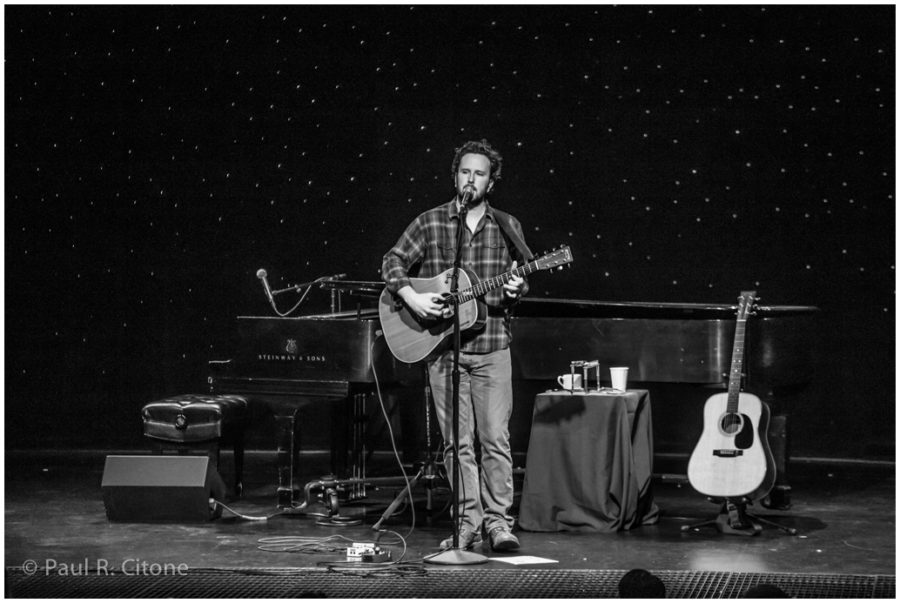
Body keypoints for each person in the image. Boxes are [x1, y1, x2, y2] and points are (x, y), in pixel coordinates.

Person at [381, 139, 529, 552]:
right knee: (456, 443)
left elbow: (514, 289)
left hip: (493, 347)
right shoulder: (430, 222)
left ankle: (499, 524)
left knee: (495, 440)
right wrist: (411, 296)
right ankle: (467, 523)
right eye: (465, 171)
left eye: (480, 173)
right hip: (444, 350)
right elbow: (392, 261)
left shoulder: (507, 226)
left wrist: (516, 288)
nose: (471, 179)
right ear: (456, 176)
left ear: (491, 182)